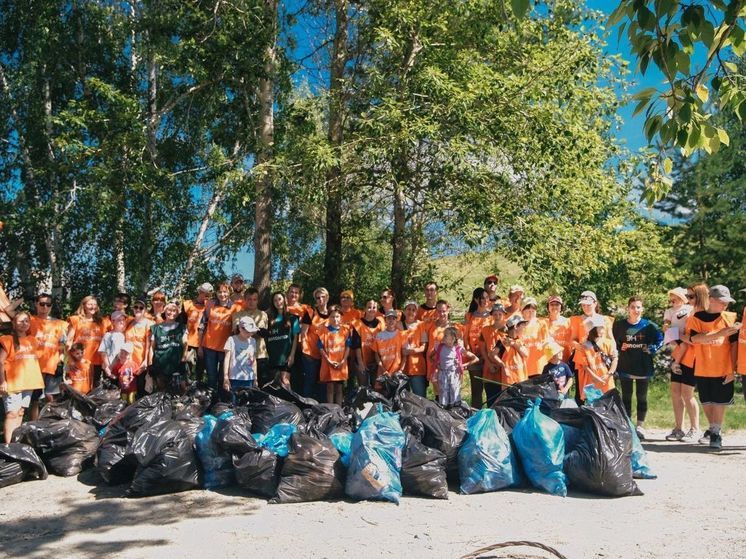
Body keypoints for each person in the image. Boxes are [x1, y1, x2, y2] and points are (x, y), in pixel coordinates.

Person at [686, 285, 740, 449]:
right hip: (703, 366)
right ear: (711, 300)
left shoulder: (729, 318)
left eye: (727, 302)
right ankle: (712, 427)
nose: (725, 305)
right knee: (707, 401)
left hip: (723, 367)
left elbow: (734, 345)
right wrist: (719, 334)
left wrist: (732, 369)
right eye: (722, 302)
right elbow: (695, 339)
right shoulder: (697, 317)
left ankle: (716, 432)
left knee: (720, 401)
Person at [612, 297, 663, 440]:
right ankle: (628, 425)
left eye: (638, 307)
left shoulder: (649, 325)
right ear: (628, 308)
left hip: (643, 366)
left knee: (642, 397)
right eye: (633, 307)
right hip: (625, 366)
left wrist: (652, 348)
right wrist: (619, 347)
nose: (636, 310)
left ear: (642, 309)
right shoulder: (620, 325)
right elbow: (613, 342)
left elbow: (660, 339)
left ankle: (640, 426)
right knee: (626, 397)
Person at [667, 283, 708, 441]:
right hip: (679, 356)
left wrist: (676, 334)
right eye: (688, 296)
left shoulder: (701, 315)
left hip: (692, 358)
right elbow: (684, 338)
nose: (688, 299)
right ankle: (679, 428)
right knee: (676, 393)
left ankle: (695, 429)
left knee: (687, 394)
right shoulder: (689, 314)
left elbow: (693, 340)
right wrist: (675, 334)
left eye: (691, 296)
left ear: (700, 296)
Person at [0, 312, 44, 442]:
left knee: (20, 412)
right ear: (13, 323)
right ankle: (8, 446)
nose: (24, 324)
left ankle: (15, 442)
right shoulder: (6, 339)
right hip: (13, 383)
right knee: (12, 413)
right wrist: (2, 381)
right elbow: (0, 362)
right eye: (20, 321)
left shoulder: (33, 340)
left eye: (26, 321)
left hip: (28, 382)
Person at [28, 294, 67, 418]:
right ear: (36, 304)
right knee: (34, 399)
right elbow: (9, 313)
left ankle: (52, 425)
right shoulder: (29, 320)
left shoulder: (60, 324)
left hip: (52, 365)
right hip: (33, 366)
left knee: (52, 398)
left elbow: (64, 345)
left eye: (48, 304)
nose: (45, 307)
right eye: (42, 304)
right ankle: (34, 426)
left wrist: (61, 361)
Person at [199, 283, 238, 397]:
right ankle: (210, 402)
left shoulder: (234, 307)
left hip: (225, 348)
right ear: (216, 293)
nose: (222, 294)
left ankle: (221, 402)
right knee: (211, 376)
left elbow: (236, 330)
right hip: (209, 346)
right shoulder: (210, 305)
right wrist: (200, 346)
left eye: (225, 292)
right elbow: (202, 326)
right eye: (220, 292)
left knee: (223, 377)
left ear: (229, 293)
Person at [232, 287, 270, 385]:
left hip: (260, 355)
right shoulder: (237, 315)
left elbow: (263, 333)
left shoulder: (263, 315)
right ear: (244, 300)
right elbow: (236, 332)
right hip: (242, 356)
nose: (251, 302)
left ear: (258, 300)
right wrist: (255, 330)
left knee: (262, 386)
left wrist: (246, 329)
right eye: (249, 299)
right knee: (243, 387)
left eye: (254, 299)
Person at [575, 317, 618, 401]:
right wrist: (595, 378)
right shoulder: (583, 346)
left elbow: (615, 359)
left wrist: (609, 374)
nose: (603, 328)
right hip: (591, 382)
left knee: (607, 406)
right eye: (600, 327)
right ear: (593, 329)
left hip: (607, 380)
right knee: (594, 407)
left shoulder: (607, 342)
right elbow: (584, 366)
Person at [262, 292, 300, 388]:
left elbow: (295, 338)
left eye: (279, 299)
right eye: (275, 300)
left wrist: (292, 355)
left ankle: (289, 402)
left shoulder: (293, 318)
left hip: (286, 357)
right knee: (273, 384)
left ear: (284, 300)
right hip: (272, 356)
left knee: (285, 381)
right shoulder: (268, 318)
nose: (278, 302)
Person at [66, 296, 106, 387]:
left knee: (94, 389)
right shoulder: (76, 320)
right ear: (83, 306)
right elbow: (68, 342)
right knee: (78, 388)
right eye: (90, 304)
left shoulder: (102, 322)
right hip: (79, 361)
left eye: (95, 304)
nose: (93, 307)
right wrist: (70, 359)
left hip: (96, 361)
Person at [425, 300, 462, 396]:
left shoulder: (454, 327)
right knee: (438, 391)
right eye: (439, 311)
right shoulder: (430, 326)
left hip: (450, 365)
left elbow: (460, 346)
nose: (441, 313)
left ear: (448, 310)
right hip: (434, 363)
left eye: (444, 311)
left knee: (451, 391)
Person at [149, 301, 188, 393]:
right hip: (160, 363)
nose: (172, 313)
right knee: (161, 390)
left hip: (177, 364)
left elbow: (185, 345)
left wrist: (183, 360)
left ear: (178, 313)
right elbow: (152, 347)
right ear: (164, 311)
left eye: (174, 311)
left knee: (180, 390)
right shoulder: (156, 328)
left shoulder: (182, 327)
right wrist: (150, 363)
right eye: (169, 310)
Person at [433, 326, 478, 407]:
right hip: (443, 374)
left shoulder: (458, 349)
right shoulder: (439, 347)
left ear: (453, 338)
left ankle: (454, 410)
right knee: (443, 394)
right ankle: (444, 411)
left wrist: (463, 365)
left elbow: (475, 359)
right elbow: (430, 357)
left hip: (454, 375)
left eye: (446, 335)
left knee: (454, 393)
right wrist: (437, 364)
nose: (443, 337)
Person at [464, 288, 492, 409]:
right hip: (473, 358)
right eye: (483, 298)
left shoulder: (491, 316)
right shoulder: (469, 316)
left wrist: (485, 355)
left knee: (490, 389)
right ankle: (475, 415)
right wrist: (470, 354)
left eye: (487, 298)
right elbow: (465, 338)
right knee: (476, 390)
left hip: (488, 358)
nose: (486, 300)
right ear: (476, 300)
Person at [300, 287, 330, 400]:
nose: (321, 299)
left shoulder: (332, 314)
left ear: (327, 297)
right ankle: (306, 407)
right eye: (318, 298)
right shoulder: (310, 313)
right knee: (309, 382)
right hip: (310, 354)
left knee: (324, 383)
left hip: (326, 356)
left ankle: (322, 409)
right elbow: (303, 333)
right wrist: (304, 350)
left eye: (323, 297)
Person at [318, 306, 351, 405]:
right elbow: (320, 348)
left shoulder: (345, 331)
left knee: (339, 388)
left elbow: (348, 347)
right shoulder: (323, 331)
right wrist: (328, 360)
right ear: (329, 317)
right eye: (332, 316)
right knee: (330, 388)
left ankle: (339, 409)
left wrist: (343, 361)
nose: (335, 319)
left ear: (341, 317)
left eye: (337, 316)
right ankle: (331, 409)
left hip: (341, 364)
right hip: (328, 364)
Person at [223, 316, 259, 402]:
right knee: (234, 401)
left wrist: (255, 377)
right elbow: (227, 359)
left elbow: (253, 360)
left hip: (249, 378)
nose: (249, 334)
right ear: (240, 328)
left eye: (251, 332)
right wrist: (225, 377)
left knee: (247, 402)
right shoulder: (231, 340)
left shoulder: (253, 341)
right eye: (247, 332)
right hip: (235, 378)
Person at [480, 304, 508, 406]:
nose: (497, 316)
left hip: (503, 368)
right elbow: (483, 349)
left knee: (503, 398)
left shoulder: (508, 330)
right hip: (489, 368)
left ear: (504, 315)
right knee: (490, 398)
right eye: (495, 314)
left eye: (500, 314)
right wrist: (489, 364)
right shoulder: (485, 330)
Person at [183, 282, 212, 382]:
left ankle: (198, 389)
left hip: (203, 343)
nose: (206, 296)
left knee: (200, 370)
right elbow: (181, 321)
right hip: (189, 342)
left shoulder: (209, 307)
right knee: (187, 370)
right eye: (205, 293)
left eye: (209, 294)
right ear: (199, 291)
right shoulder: (188, 304)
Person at [125, 298, 154, 394]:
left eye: (141, 308)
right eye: (136, 307)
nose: (138, 309)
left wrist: (146, 361)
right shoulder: (129, 323)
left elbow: (149, 345)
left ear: (145, 310)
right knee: (129, 390)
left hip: (142, 363)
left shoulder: (149, 324)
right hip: (129, 362)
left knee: (141, 389)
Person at [491, 314, 529, 387]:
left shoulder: (520, 340)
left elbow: (525, 354)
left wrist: (513, 344)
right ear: (515, 326)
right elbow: (493, 354)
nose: (524, 328)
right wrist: (503, 365)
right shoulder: (503, 341)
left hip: (521, 379)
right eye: (523, 325)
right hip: (508, 380)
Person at [351, 300, 383, 387]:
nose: (371, 309)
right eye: (369, 307)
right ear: (364, 309)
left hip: (376, 360)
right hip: (361, 359)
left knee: (377, 386)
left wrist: (379, 363)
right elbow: (356, 346)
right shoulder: (357, 324)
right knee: (363, 387)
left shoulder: (381, 324)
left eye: (374, 307)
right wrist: (361, 363)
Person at [402, 300, 428, 397]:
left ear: (416, 313)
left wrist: (410, 351)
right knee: (403, 398)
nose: (411, 312)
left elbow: (424, 347)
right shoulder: (398, 325)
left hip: (417, 366)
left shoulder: (421, 325)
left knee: (420, 397)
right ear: (404, 311)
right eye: (408, 309)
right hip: (402, 367)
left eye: (413, 310)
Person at [521, 297, 550, 377]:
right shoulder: (518, 326)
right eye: (528, 311)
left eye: (533, 311)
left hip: (540, 365)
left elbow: (547, 342)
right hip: (524, 367)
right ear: (522, 311)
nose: (531, 313)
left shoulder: (541, 323)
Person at [374, 309, 406, 378]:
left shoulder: (401, 335)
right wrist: (383, 370)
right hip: (382, 371)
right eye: (389, 318)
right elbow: (376, 355)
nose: (391, 321)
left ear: (396, 320)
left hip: (397, 372)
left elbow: (404, 355)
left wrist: (400, 370)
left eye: (393, 318)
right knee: (381, 388)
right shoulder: (379, 335)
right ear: (385, 320)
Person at [99, 311, 127, 381]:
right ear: (113, 322)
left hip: (120, 368)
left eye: (123, 320)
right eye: (119, 320)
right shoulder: (108, 335)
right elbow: (103, 352)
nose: (122, 322)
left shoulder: (124, 335)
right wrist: (108, 368)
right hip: (110, 369)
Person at [543, 295, 572, 363]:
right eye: (552, 304)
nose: (554, 307)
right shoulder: (543, 323)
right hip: (549, 363)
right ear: (548, 307)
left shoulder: (568, 322)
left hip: (566, 362)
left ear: (561, 307)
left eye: (557, 304)